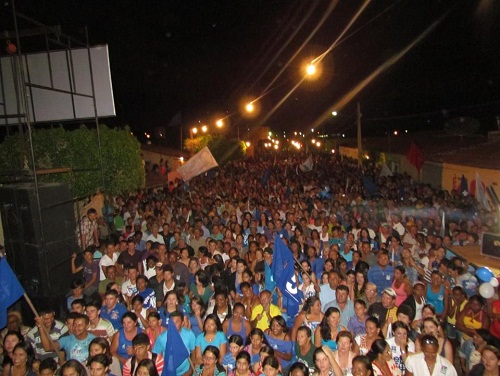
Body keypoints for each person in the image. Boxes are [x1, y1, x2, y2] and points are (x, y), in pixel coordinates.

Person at [153, 311, 196, 376]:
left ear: (182, 323)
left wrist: (190, 370)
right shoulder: (162, 338)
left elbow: (193, 352)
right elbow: (156, 355)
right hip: (168, 372)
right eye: (172, 322)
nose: (174, 324)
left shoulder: (189, 334)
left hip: (186, 372)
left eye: (177, 322)